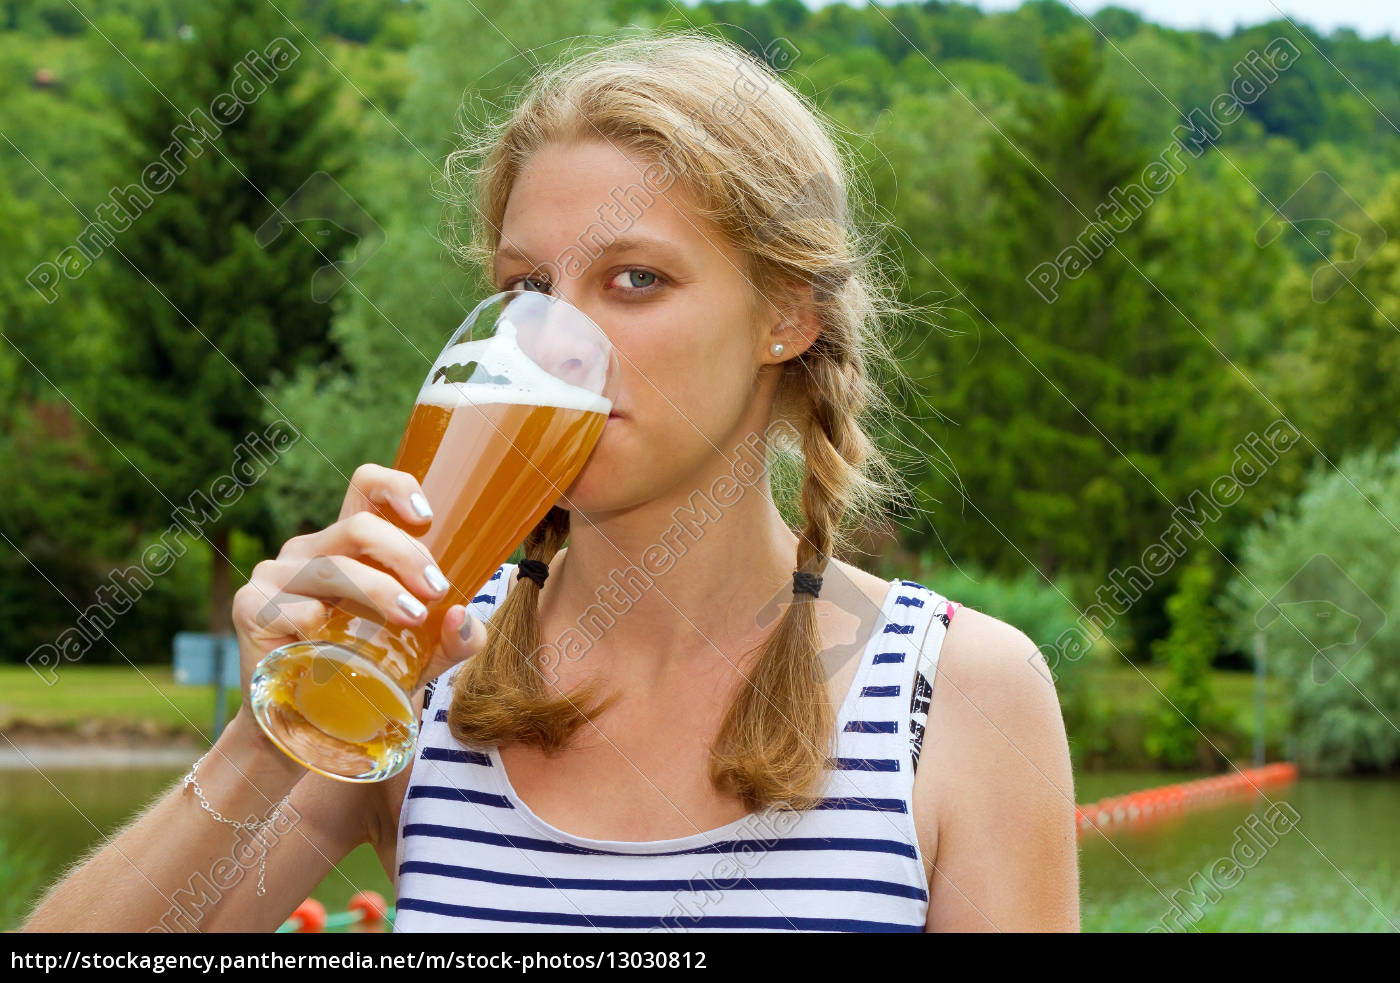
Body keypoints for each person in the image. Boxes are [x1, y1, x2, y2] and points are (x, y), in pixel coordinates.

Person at [25, 31, 1077, 933]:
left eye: (635, 279)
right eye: (526, 288)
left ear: (784, 316)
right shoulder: (427, 665)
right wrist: (273, 727)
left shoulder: (957, 694)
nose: (554, 342)